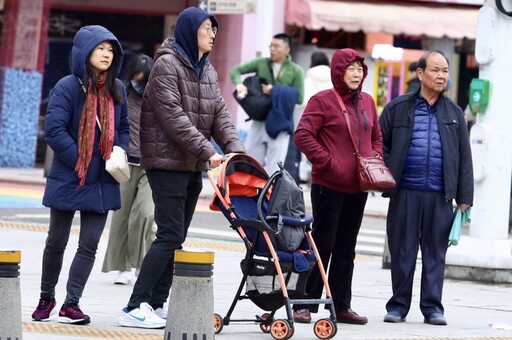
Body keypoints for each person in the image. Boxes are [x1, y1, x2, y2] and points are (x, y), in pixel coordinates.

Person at [118, 7, 245, 329]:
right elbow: (172, 116)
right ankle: (135, 304)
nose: (213, 34)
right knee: (170, 234)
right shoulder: (166, 65)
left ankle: (157, 303)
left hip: (190, 164)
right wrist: (208, 151)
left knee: (177, 236)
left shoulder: (207, 70)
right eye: (207, 28)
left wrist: (238, 153)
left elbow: (220, 115)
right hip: (166, 162)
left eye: (215, 29)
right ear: (190, 31)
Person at [31, 25, 129, 325]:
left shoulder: (117, 89)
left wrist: (119, 152)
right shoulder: (67, 86)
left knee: (89, 244)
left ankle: (71, 304)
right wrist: (81, 162)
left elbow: (123, 128)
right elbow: (55, 131)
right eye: (100, 48)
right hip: (70, 174)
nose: (106, 54)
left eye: (111, 50)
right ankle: (47, 297)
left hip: (103, 180)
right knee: (56, 241)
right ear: (85, 52)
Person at [379, 50, 474, 326]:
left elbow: (465, 158)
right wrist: (389, 167)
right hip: (405, 192)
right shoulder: (397, 108)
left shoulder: (455, 113)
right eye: (435, 70)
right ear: (420, 73)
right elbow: (379, 145)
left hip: (440, 195)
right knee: (402, 251)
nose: (441, 76)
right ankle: (398, 306)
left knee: (435, 254)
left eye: (445, 71)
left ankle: (433, 308)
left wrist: (464, 197)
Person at [292, 48, 382, 325]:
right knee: (323, 244)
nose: (356, 74)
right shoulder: (322, 101)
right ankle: (304, 303)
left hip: (358, 186)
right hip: (328, 184)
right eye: (350, 69)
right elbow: (303, 135)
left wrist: (375, 158)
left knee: (347, 247)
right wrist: (328, 162)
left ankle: (341, 305)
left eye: (359, 69)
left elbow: (377, 136)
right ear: (338, 71)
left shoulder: (367, 101)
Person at [101, 53, 155, 285]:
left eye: (143, 81)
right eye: (135, 79)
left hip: (151, 166)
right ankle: (122, 266)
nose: (138, 85)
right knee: (121, 216)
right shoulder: (119, 94)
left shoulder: (160, 98)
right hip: (123, 164)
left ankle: (142, 263)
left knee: (145, 213)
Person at [230, 33, 304, 176]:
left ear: (287, 50)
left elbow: (300, 97)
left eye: (276, 46)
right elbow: (235, 71)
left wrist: (273, 90)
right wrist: (239, 84)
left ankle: (271, 195)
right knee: (251, 159)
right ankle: (253, 194)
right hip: (259, 118)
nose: (272, 49)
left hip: (280, 121)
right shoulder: (261, 63)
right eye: (271, 45)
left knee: (275, 165)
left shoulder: (296, 70)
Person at [298, 51, 332, 183]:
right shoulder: (334, 77)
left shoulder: (309, 78)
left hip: (312, 120)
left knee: (310, 149)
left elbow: (303, 100)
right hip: (331, 119)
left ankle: (310, 178)